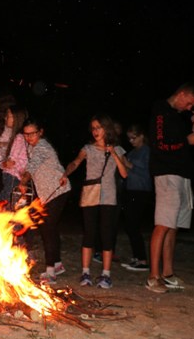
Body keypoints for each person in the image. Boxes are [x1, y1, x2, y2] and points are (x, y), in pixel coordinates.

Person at [145, 83, 194, 293]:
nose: (189, 107)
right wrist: (186, 140)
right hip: (167, 174)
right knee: (163, 224)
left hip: (182, 175)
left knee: (173, 225)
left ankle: (168, 274)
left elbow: (183, 144)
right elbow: (160, 144)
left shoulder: (178, 116)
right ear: (181, 94)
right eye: (188, 102)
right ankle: (153, 276)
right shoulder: (160, 110)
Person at [62, 114, 127, 289]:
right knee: (89, 233)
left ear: (107, 128)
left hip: (108, 196)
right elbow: (76, 162)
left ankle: (106, 275)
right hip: (90, 194)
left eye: (99, 127)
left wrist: (113, 153)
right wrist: (65, 174)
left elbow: (124, 173)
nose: (96, 131)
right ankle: (86, 272)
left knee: (106, 235)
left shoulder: (118, 150)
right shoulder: (88, 149)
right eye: (93, 128)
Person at [18, 119, 71, 285]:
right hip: (47, 194)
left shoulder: (42, 146)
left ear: (40, 132)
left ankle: (50, 271)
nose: (29, 137)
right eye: (26, 134)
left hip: (58, 190)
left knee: (47, 227)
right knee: (49, 227)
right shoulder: (31, 146)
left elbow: (32, 166)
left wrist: (24, 180)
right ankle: (57, 264)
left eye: (32, 133)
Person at [119, 124, 152, 272]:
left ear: (142, 136)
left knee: (133, 224)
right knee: (129, 225)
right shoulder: (132, 152)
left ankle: (143, 260)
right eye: (129, 138)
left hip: (141, 191)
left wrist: (128, 164)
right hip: (130, 190)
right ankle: (137, 257)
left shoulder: (147, 151)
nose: (131, 141)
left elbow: (146, 172)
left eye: (134, 137)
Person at [0, 105, 29, 209]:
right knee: (11, 206)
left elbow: (12, 162)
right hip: (12, 177)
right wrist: (4, 164)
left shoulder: (20, 137)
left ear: (16, 118)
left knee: (5, 206)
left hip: (13, 178)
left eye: (8, 116)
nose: (5, 118)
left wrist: (6, 164)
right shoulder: (19, 137)